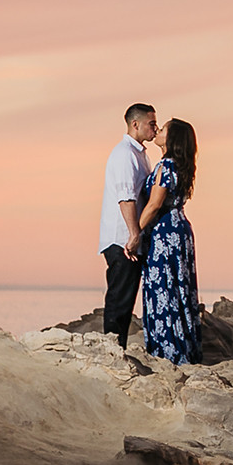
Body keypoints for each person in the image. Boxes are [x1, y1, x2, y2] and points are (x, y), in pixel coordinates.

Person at [127, 117, 200, 365]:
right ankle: (182, 346)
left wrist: (134, 233)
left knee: (165, 289)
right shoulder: (178, 165)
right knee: (177, 289)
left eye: (164, 128)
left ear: (172, 139)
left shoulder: (166, 166)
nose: (158, 130)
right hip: (178, 230)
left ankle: (169, 351)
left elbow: (155, 204)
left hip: (165, 232)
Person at [99, 103, 156, 347]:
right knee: (119, 299)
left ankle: (116, 348)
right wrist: (134, 234)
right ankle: (111, 351)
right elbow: (126, 197)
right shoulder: (124, 154)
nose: (156, 128)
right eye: (151, 123)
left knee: (126, 298)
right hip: (121, 239)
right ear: (136, 124)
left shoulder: (140, 154)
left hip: (131, 239)